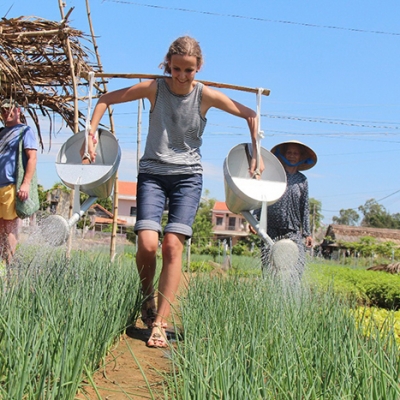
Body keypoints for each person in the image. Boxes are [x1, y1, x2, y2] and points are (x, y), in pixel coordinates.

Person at [85, 36, 264, 348]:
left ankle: (160, 323)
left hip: (187, 178)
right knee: (147, 242)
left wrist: (257, 153)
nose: (181, 76)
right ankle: (147, 300)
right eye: (177, 68)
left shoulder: (205, 96)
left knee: (172, 245)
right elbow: (104, 100)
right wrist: (90, 134)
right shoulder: (155, 88)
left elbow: (251, 114)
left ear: (199, 68)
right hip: (153, 173)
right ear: (168, 63)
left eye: (189, 70)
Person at [253, 140, 316, 284]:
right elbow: (263, 195)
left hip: (292, 229)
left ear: (300, 157)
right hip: (272, 228)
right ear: (284, 155)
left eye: (295, 153)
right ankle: (269, 294)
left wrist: (307, 232)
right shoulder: (275, 175)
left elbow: (304, 206)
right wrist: (255, 218)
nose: (292, 156)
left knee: (297, 264)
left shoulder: (302, 180)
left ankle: (292, 293)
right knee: (270, 266)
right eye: (289, 152)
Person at [0, 99, 38, 265]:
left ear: (18, 111)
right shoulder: (1, 132)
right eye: (2, 110)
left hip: (11, 186)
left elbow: (32, 158)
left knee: (10, 228)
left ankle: (9, 265)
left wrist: (25, 184)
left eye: (9, 110)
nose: (6, 113)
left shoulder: (25, 131)